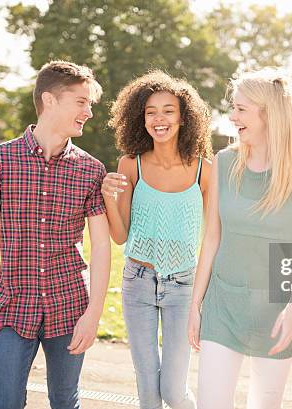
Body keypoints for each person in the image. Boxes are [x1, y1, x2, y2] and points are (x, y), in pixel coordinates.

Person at [0, 60, 111, 409]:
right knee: (3, 402)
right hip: (13, 305)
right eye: (81, 102)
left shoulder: (92, 170)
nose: (89, 112)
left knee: (65, 400)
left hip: (69, 306)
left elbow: (101, 248)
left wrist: (93, 313)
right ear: (50, 100)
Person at [187, 68, 292, 409]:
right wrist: (195, 303)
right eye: (233, 109)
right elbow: (212, 237)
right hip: (223, 305)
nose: (232, 117)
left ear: (268, 113)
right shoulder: (223, 161)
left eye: (241, 109)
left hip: (276, 310)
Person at [101, 70, 212, 409]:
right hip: (138, 282)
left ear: (183, 117)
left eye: (168, 110)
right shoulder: (130, 164)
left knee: (174, 392)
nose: (159, 118)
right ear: (141, 118)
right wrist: (107, 197)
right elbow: (120, 236)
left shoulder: (204, 170)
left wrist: (202, 295)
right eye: (151, 111)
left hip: (183, 285)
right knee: (148, 393)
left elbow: (213, 237)